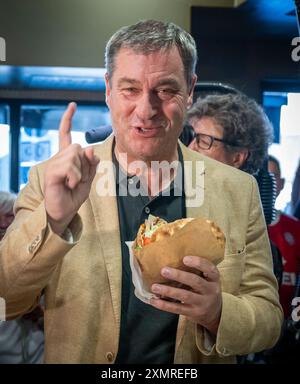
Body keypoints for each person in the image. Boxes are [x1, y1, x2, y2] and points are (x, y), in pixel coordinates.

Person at [0, 20, 282, 364]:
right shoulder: (50, 180)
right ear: (107, 89)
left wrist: (219, 312)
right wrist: (54, 219)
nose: (146, 110)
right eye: (129, 89)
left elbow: (268, 319)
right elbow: (7, 299)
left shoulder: (239, 190)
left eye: (165, 90)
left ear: (190, 89)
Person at [187, 93, 283, 286]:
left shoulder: (250, 235)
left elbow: (265, 310)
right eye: (192, 137)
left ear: (238, 158)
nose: (190, 148)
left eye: (203, 140)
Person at [0, 191, 44, 364]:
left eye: (9, 216)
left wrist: (40, 313)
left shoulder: (39, 254)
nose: (3, 224)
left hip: (40, 353)